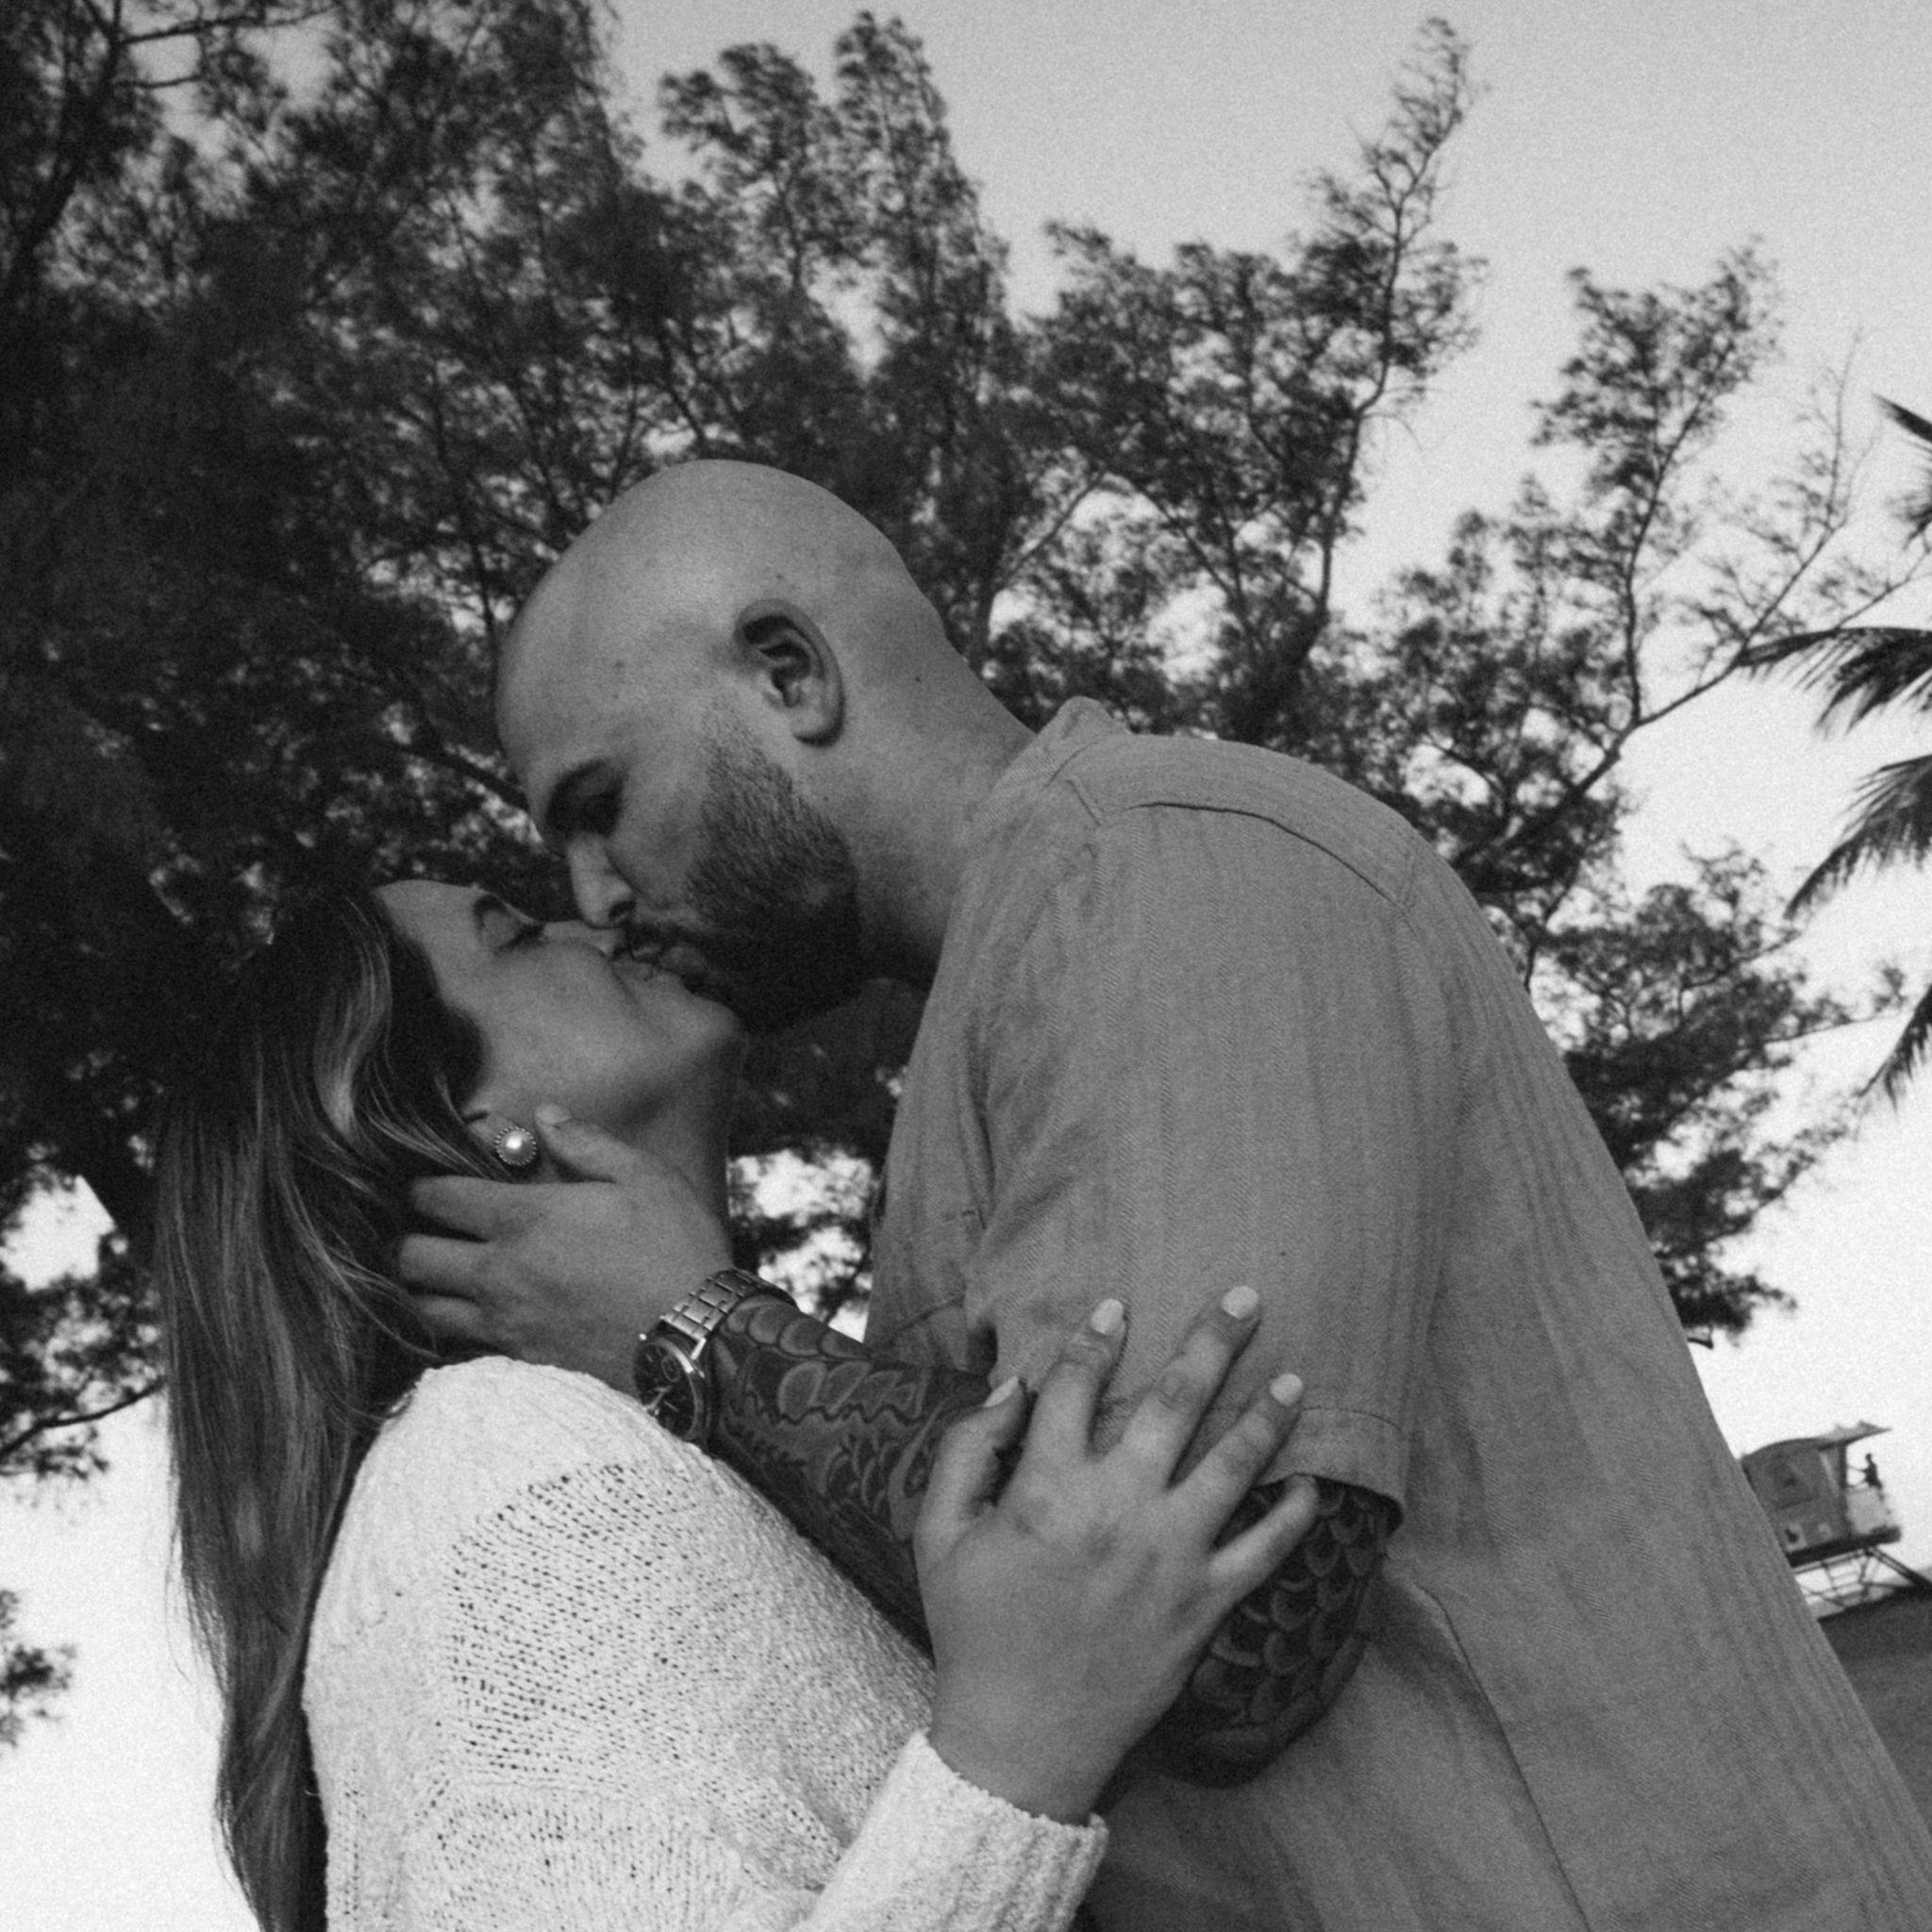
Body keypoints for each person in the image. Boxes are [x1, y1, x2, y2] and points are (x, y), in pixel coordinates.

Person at [410, 459, 1932, 1929]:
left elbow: (1222, 1633)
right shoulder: (1016, 981)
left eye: (600, 802)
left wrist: (691, 1328)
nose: (593, 894)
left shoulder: (1154, 873)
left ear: (790, 674)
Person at [154, 880, 1323, 1932]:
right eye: (512, 934)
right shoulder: (497, 1468)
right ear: (467, 1130)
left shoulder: (630, 1457)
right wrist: (1016, 1753)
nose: (589, 918)